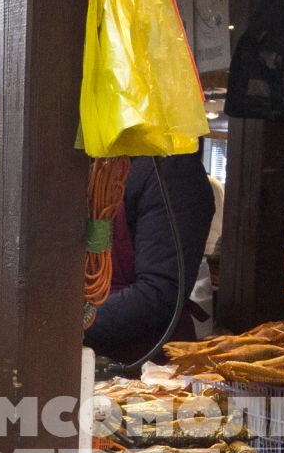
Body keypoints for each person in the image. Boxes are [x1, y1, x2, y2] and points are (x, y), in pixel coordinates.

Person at [86, 154, 215, 365]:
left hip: (148, 371)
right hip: (89, 358)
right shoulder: (100, 164)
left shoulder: (172, 169)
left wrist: (70, 326)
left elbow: (159, 292)